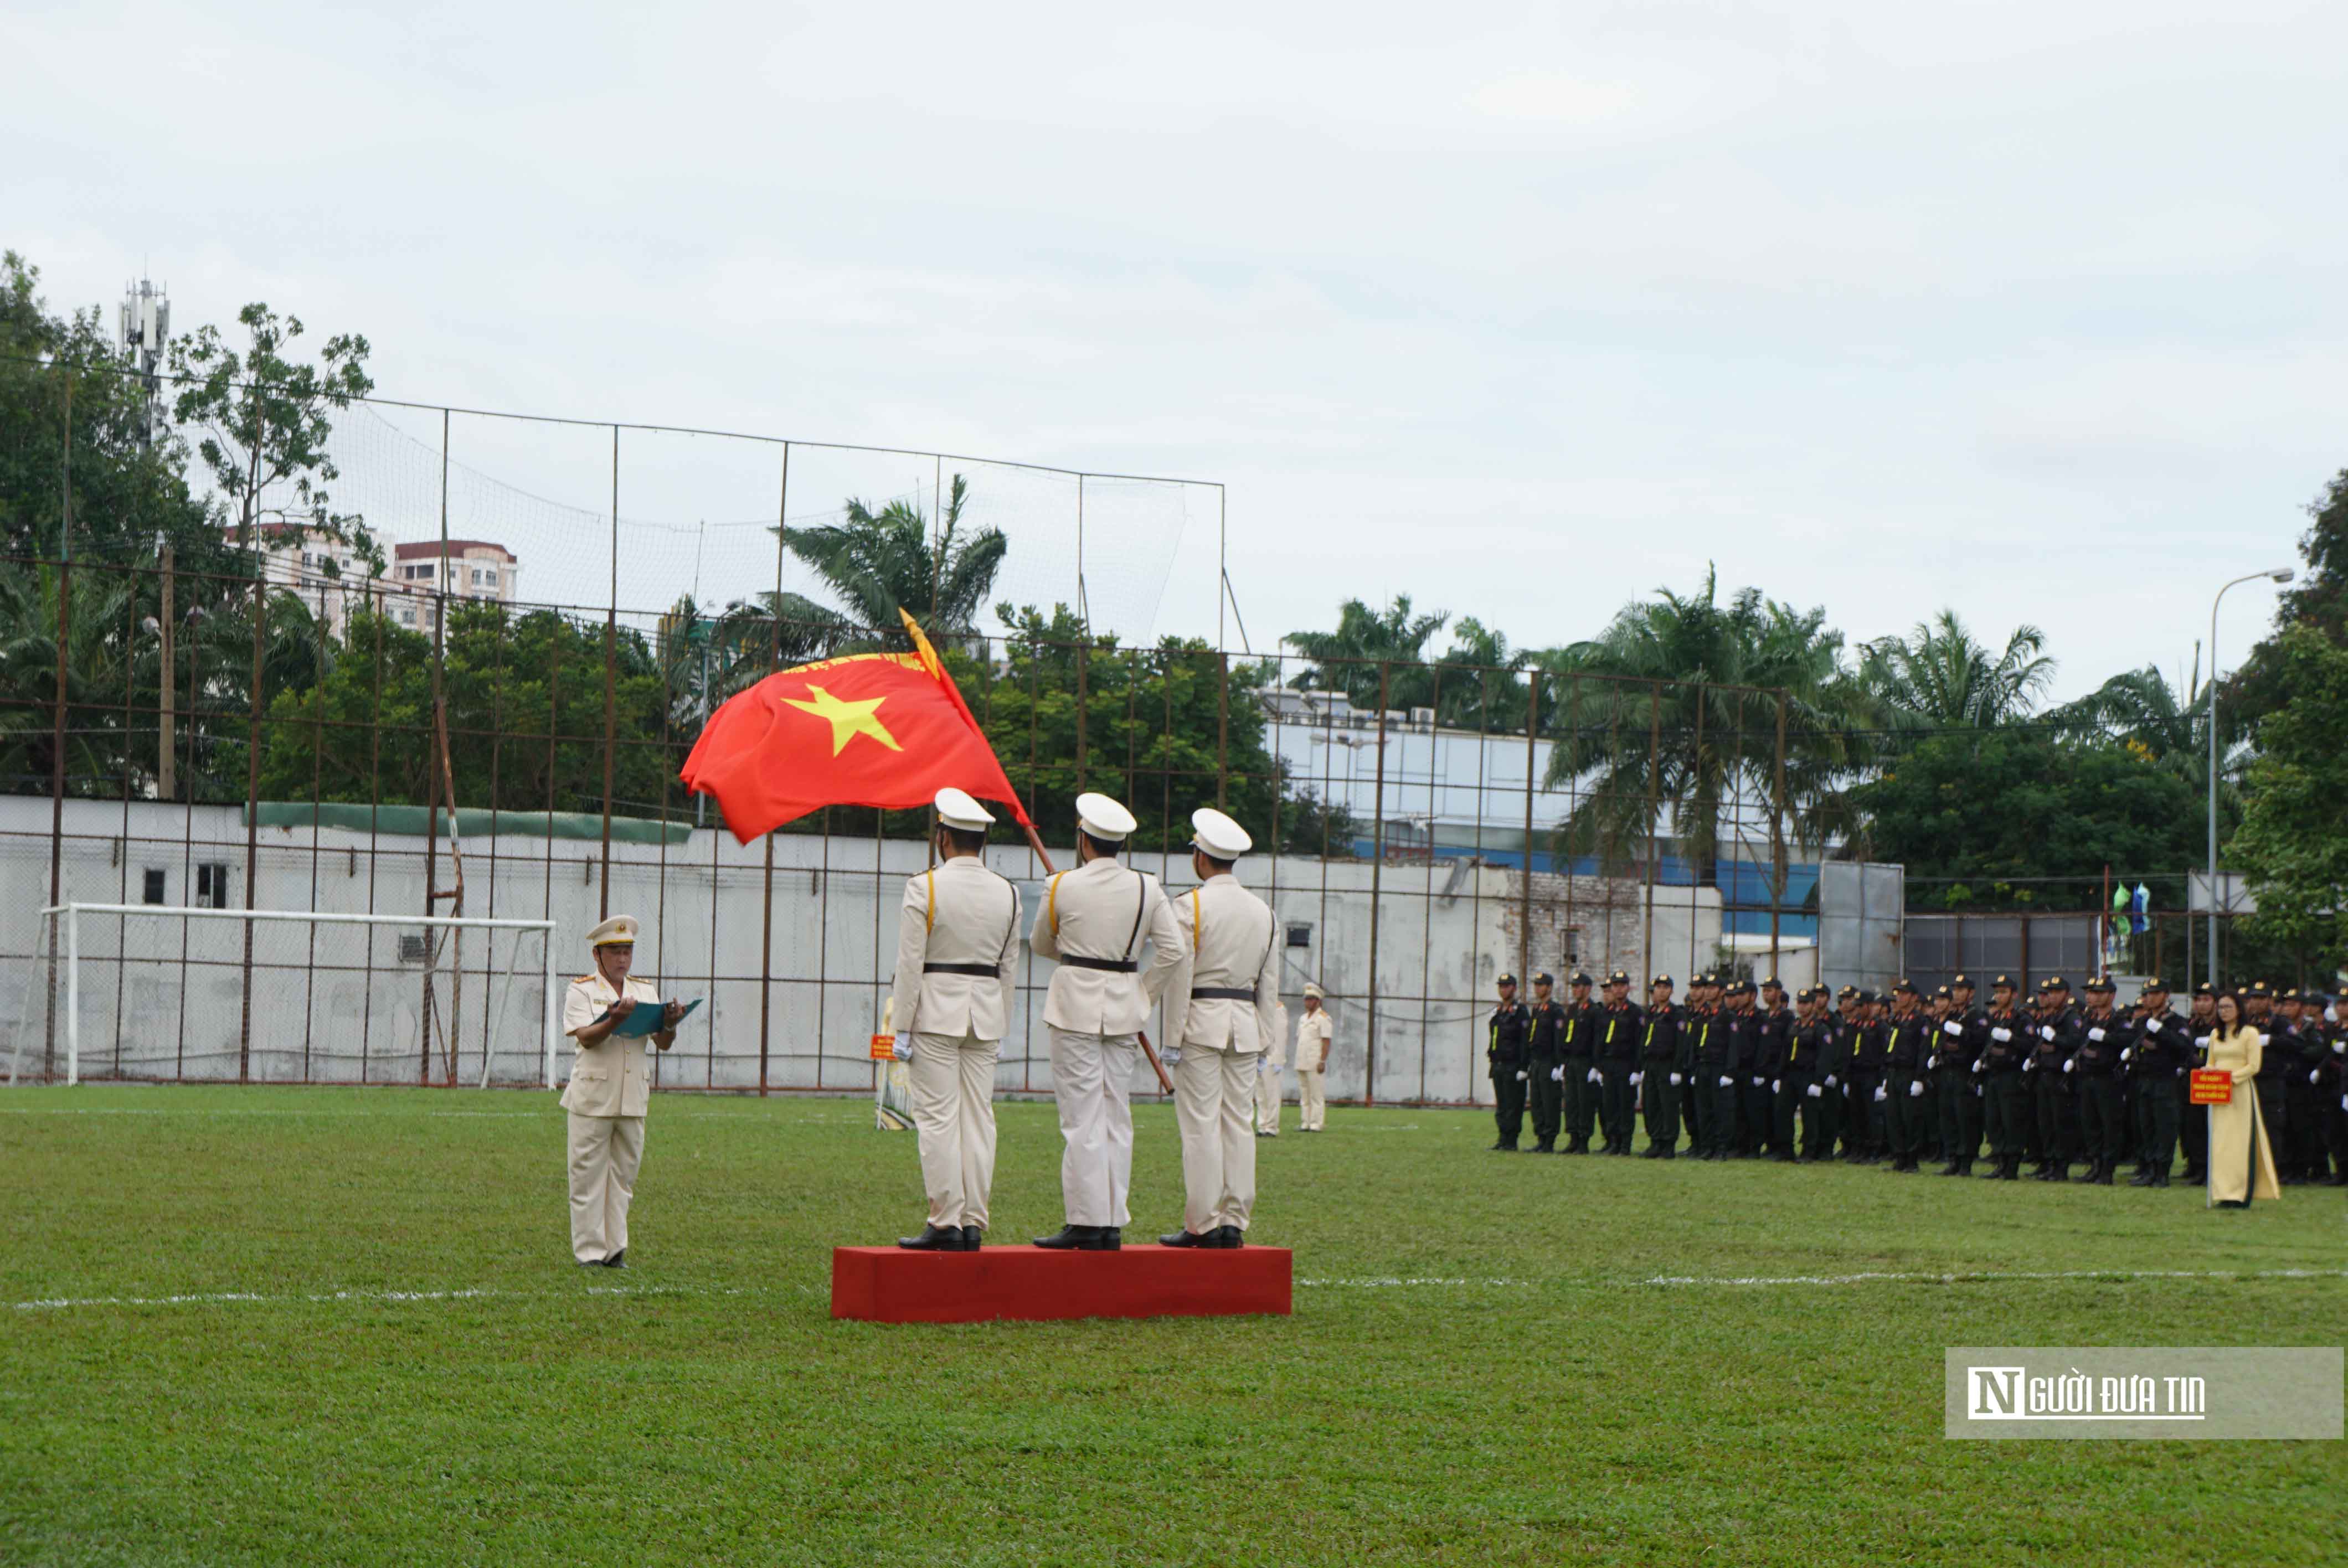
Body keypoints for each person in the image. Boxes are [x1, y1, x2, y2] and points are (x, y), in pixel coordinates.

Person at [1029, 791, 1183, 1251]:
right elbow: (1174, 951)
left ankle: (1086, 1222)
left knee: (1081, 1117)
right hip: (1123, 1006)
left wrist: (1078, 958)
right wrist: (1143, 992)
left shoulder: (1061, 885)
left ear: (1083, 840)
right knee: (1117, 1113)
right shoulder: (1148, 887)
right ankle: (1111, 1220)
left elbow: (1040, 943)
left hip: (1075, 1005)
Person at [888, 788, 1022, 1252]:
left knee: (939, 1118)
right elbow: (1010, 967)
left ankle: (946, 1220)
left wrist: (900, 1028)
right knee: (979, 1119)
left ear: (943, 837)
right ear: (981, 840)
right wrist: (1002, 1023)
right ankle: (972, 1221)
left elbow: (910, 964)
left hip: (936, 1013)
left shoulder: (924, 887)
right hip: (985, 1015)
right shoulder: (1007, 891)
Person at [1160, 808, 1281, 1249]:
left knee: (1200, 1125)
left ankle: (1203, 1222)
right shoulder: (1264, 912)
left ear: (1201, 858)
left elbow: (1179, 974)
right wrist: (1266, 1038)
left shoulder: (1189, 905)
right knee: (1238, 1123)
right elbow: (1270, 982)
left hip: (1201, 1024)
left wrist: (1171, 1039)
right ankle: (1234, 1219)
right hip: (1245, 1026)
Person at [559, 915, 683, 1269]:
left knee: (623, 1180)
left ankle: (616, 1252)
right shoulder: (581, 990)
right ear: (597, 955)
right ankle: (589, 1253)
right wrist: (613, 1020)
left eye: (627, 951)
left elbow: (663, 1043)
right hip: (593, 1098)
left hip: (633, 1098)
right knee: (587, 1179)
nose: (623, 959)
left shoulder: (644, 990)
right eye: (614, 952)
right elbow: (585, 1037)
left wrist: (670, 1023)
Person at [2205, 991, 2282, 1208]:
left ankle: (2241, 1194)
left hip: (2240, 1092)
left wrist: (2231, 1078)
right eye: (2221, 1008)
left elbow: (2254, 1066)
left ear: (2239, 1009)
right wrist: (2209, 1071)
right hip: (2218, 1094)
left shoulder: (2250, 1033)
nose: (2224, 1011)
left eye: (2228, 1007)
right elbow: (2212, 1061)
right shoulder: (2215, 1035)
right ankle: (2223, 1192)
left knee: (2239, 1143)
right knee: (2220, 1144)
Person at [2126, 978, 2186, 1187]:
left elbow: (2183, 1045)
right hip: (2144, 1079)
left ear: (2166, 995)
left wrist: (2160, 1031)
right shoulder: (2142, 1022)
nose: (2149, 998)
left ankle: (2163, 1172)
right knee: (2147, 1127)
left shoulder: (2176, 1022)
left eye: (2154, 993)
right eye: (2146, 994)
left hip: (2165, 1080)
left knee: (2165, 1127)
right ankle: (2150, 1169)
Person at [2069, 976, 2126, 1184]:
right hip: (2087, 1077)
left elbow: (2126, 1039)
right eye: (2090, 992)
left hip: (2107, 1079)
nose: (2092, 996)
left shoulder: (2118, 1020)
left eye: (2098, 992)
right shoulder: (2088, 1019)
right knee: (2090, 1124)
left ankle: (2107, 1170)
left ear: (2111, 996)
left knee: (2109, 1125)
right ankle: (2095, 1165)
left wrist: (2106, 1038)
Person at [2027, 976, 2082, 1182]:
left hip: (2060, 1076)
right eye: (2050, 993)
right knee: (2046, 1123)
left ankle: (2061, 1166)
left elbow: (2075, 1041)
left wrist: (2055, 1040)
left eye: (2057, 992)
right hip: (2045, 1074)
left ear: (2067, 995)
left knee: (2061, 1124)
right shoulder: (2051, 1017)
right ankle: (2049, 1163)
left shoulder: (2071, 1017)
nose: (2052, 996)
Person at [1935, 973, 1986, 1175]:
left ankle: (1966, 1161)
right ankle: (1953, 1158)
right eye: (1955, 990)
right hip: (1948, 1071)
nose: (1956, 994)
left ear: (1971, 993)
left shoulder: (1977, 1016)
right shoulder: (1952, 1016)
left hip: (1965, 1072)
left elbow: (1980, 1040)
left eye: (1961, 990)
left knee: (1965, 1119)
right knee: (1948, 1117)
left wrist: (1962, 1034)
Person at [1880, 980, 1929, 1173]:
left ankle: (1912, 1159)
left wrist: (1919, 1078)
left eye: (1905, 994)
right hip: (1893, 1073)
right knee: (1894, 1117)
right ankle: (1899, 1157)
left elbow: (1924, 1051)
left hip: (1909, 1073)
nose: (1900, 997)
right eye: (1898, 993)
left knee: (1911, 1117)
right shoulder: (1896, 1020)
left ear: (1914, 998)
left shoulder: (1920, 1022)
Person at [1594, 970, 1644, 1155]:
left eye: (1622, 985)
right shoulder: (1606, 1012)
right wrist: (1599, 1066)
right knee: (1610, 1105)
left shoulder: (1635, 1012)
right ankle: (1613, 1142)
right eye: (1615, 986)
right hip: (1609, 1064)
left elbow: (1639, 1042)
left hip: (1626, 1064)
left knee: (1625, 1105)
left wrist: (1637, 1069)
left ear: (1628, 988)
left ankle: (1625, 1144)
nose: (1618, 989)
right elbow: (1600, 1040)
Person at [1487, 973, 1532, 1151]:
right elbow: (1494, 1038)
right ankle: (1502, 1138)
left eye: (1507, 986)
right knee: (1502, 1105)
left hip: (1513, 1065)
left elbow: (1524, 1040)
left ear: (1514, 988)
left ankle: (1511, 1140)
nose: (1503, 989)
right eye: (1501, 986)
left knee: (1514, 1105)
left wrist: (1523, 1067)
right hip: (1498, 1064)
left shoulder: (1520, 1012)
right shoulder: (1497, 1012)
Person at [1638, 974, 1681, 1158]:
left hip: (1667, 1064)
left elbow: (1681, 1043)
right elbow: (1642, 1041)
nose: (1661, 991)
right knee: (1651, 1104)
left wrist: (1677, 1069)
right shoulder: (1651, 1013)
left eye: (1665, 987)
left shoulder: (1676, 1014)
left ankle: (1668, 1144)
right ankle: (1655, 1141)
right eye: (1658, 987)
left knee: (1668, 1106)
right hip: (1651, 1064)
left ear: (1671, 991)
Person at [1526, 973, 1568, 1153]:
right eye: (1536, 984)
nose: (1538, 988)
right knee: (1537, 1102)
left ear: (1549, 987)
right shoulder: (1537, 1009)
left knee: (1550, 1101)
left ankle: (1549, 1139)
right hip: (1536, 1061)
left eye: (1541, 985)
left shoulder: (1555, 1010)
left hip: (1549, 1061)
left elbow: (1559, 1039)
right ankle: (1541, 1137)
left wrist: (1559, 1065)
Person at [2180, 983, 2217, 1184]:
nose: (2201, 1004)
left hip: (2213, 1081)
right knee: (2194, 1127)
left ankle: (2210, 1171)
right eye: (2198, 1000)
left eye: (2206, 1000)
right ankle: (2198, 1167)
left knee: (2209, 1126)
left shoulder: (2220, 1026)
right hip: (2193, 1081)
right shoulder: (2194, 1026)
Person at [1752, 978, 1793, 1160]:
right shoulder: (1763, 1016)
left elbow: (1787, 1046)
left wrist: (1780, 1072)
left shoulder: (1787, 1016)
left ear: (1778, 992)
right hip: (1764, 1070)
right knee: (1765, 1110)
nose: (1766, 994)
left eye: (1770, 990)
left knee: (1780, 1112)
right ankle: (1770, 1145)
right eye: (1765, 991)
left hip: (1779, 1071)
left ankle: (1782, 1148)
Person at [1559, 972, 1599, 1153]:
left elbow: (1597, 1040)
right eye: (1573, 987)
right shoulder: (1573, 1010)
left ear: (1588, 989)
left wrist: (1596, 1066)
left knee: (1585, 1102)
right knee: (1571, 1102)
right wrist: (1563, 1062)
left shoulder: (1594, 1011)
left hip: (1586, 1062)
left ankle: (1584, 1139)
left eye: (1579, 986)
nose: (1575, 990)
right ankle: (1573, 1137)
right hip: (1571, 1061)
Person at [1294, 984, 1332, 1131]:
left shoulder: (1324, 1018)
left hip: (1315, 1061)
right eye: (1306, 1000)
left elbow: (1326, 1041)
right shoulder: (1303, 1018)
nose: (1307, 1003)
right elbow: (1300, 1039)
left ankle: (1316, 1123)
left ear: (1318, 1001)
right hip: (1302, 1060)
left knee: (1316, 1095)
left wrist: (1322, 1061)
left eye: (1311, 1000)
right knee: (1304, 1095)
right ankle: (1306, 1122)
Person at [1254, 997, 1288, 1137]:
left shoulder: (1278, 1008)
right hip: (1258, 1057)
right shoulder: (1257, 1006)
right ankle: (1262, 1125)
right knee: (1261, 1095)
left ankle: (1272, 1127)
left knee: (1272, 1095)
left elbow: (1281, 1036)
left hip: (1272, 1057)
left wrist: (1279, 1060)